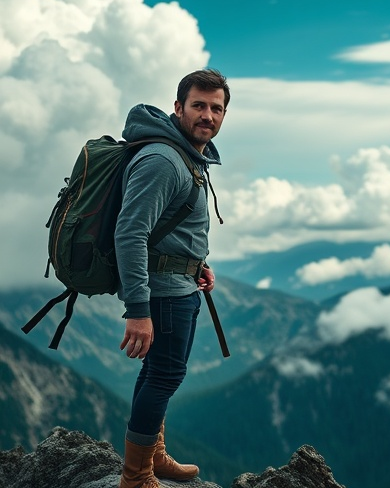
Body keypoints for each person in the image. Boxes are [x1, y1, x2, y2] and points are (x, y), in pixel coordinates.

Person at [114, 68, 230, 488]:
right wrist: (138, 310)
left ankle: (153, 455)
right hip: (161, 294)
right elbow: (130, 232)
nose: (208, 115)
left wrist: (196, 263)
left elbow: (172, 226)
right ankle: (136, 475)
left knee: (158, 373)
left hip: (179, 285)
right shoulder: (164, 160)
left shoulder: (187, 155)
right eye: (198, 105)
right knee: (164, 375)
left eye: (216, 108)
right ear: (178, 107)